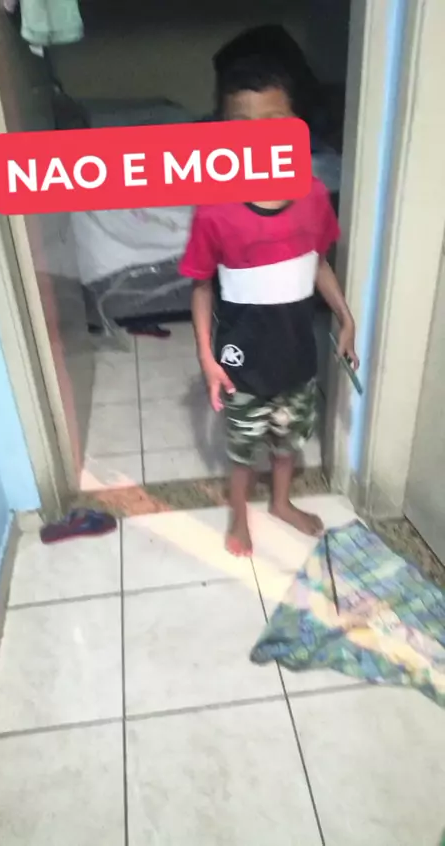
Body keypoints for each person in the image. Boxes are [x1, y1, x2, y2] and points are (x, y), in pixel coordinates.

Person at [179, 53, 359, 557]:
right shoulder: (214, 210)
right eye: (244, 124)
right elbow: (201, 287)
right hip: (243, 362)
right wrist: (206, 357)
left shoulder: (313, 196)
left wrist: (346, 318)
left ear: (295, 125)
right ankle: (239, 514)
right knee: (244, 452)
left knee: (288, 442)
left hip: (298, 359)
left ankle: (281, 502)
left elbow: (318, 263)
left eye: (274, 121)